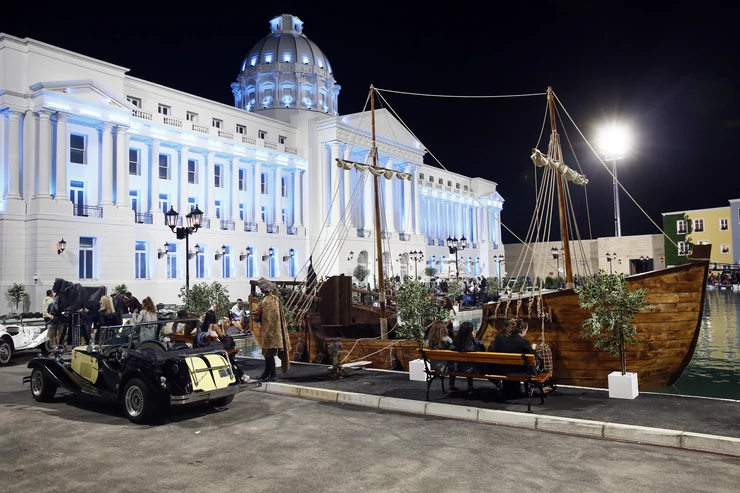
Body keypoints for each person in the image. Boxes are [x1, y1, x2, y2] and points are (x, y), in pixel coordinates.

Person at [255, 277, 292, 382]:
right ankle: (267, 373)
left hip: (270, 331)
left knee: (269, 353)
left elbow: (269, 317)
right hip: (273, 331)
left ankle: (272, 375)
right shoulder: (275, 299)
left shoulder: (268, 300)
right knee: (267, 353)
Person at [448, 321, 485, 394]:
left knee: (455, 361)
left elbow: (450, 349)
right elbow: (484, 351)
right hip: (472, 369)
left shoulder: (456, 343)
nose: (475, 331)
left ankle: (451, 385)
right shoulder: (475, 342)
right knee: (470, 363)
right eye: (473, 330)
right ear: (469, 333)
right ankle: (470, 387)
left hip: (457, 368)